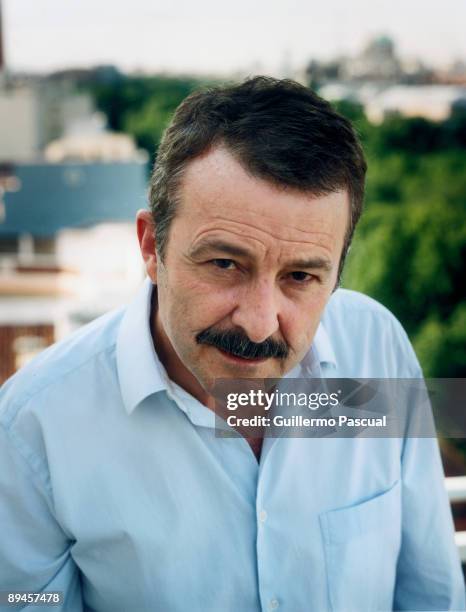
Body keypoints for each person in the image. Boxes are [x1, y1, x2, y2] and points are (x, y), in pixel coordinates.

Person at [0, 77, 464, 612]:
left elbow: (432, 596)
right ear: (152, 246)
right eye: (225, 264)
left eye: (300, 277)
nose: (261, 323)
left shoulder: (377, 347)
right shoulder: (34, 428)